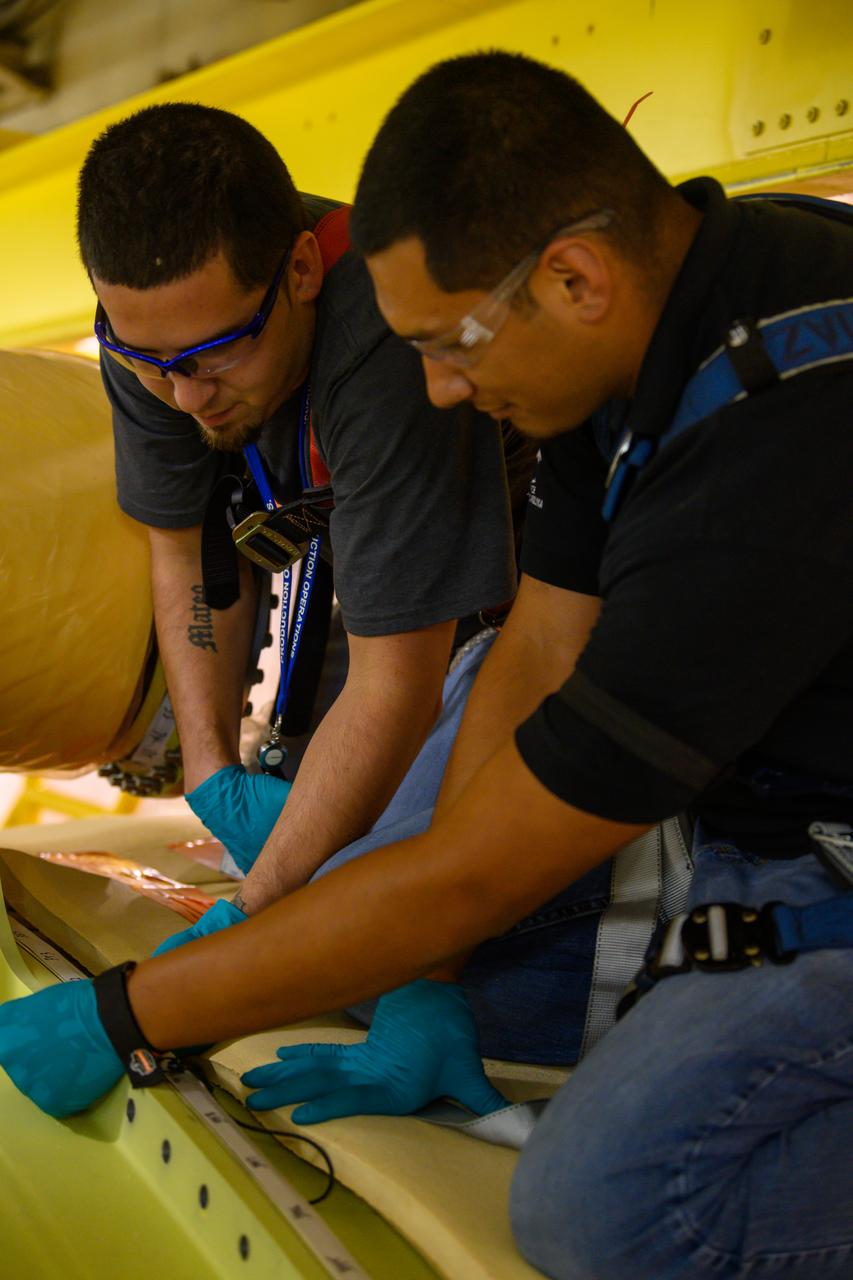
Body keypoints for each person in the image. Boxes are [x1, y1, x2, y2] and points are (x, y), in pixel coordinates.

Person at [2, 51, 852, 1280]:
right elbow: (531, 653)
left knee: (607, 1212)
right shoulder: (661, 326)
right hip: (776, 810)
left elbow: (467, 854)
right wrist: (424, 967)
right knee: (381, 951)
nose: (442, 389)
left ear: (573, 276)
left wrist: (127, 1010)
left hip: (813, 845)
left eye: (449, 347)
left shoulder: (771, 450)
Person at [75, 102, 534, 913]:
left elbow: (397, 681)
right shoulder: (147, 334)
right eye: (150, 363)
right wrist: (209, 770)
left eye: (214, 353)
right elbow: (184, 550)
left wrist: (254, 924)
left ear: (299, 272)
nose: (184, 395)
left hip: (538, 575)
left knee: (411, 908)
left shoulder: (386, 341)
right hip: (352, 552)